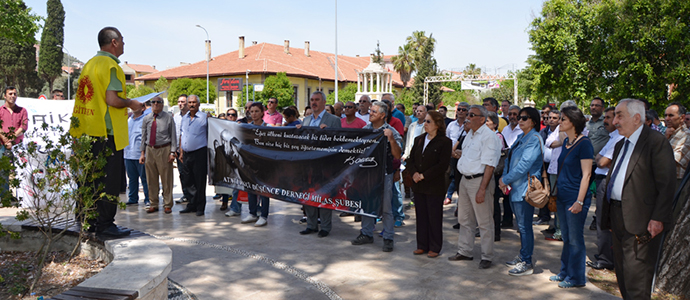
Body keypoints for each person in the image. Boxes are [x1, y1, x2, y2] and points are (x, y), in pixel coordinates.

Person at [68, 27, 141, 237]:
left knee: (88, 179)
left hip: (85, 131)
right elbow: (112, 100)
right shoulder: (112, 66)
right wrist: (132, 104)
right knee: (108, 181)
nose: (125, 44)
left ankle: (85, 219)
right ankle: (104, 224)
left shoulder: (89, 64)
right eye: (123, 40)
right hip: (105, 132)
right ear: (114, 42)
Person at [602, 99, 675, 300]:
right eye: (615, 115)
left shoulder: (655, 142)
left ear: (636, 118)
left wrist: (658, 218)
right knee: (624, 276)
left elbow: (667, 184)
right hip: (618, 218)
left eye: (619, 115)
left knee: (637, 279)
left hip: (642, 221)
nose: (615, 120)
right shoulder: (620, 144)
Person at [448, 105, 501, 269]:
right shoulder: (469, 134)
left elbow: (490, 165)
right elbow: (472, 156)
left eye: (472, 114)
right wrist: (459, 155)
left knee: (484, 222)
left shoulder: (489, 137)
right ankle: (465, 251)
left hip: (479, 181)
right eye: (467, 114)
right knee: (464, 219)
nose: (467, 117)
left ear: (482, 119)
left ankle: (487, 256)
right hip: (465, 180)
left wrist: (482, 189)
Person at [548, 106, 593, 288]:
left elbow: (587, 175)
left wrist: (579, 201)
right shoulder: (566, 142)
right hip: (563, 196)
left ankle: (577, 278)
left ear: (573, 122)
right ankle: (565, 271)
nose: (559, 122)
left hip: (576, 198)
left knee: (575, 239)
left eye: (563, 119)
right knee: (566, 238)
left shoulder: (584, 143)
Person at [351, 101, 402, 252]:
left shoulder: (391, 131)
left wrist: (391, 139)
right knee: (366, 204)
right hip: (367, 175)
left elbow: (398, 154)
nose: (370, 113)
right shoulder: (365, 130)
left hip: (384, 174)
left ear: (382, 115)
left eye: (373, 111)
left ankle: (388, 237)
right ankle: (366, 233)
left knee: (386, 207)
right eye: (370, 111)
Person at [498, 107, 543, 276]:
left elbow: (524, 165)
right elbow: (509, 161)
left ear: (533, 121)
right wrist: (504, 179)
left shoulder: (534, 138)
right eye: (519, 117)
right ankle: (523, 255)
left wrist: (505, 179)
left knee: (525, 227)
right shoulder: (520, 137)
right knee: (522, 226)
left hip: (525, 189)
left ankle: (527, 262)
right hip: (515, 188)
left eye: (524, 118)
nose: (520, 120)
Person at [406, 111, 451, 258]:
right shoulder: (419, 139)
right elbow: (411, 159)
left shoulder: (445, 142)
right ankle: (422, 245)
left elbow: (442, 165)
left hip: (434, 185)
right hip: (418, 184)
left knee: (434, 216)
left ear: (437, 124)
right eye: (425, 121)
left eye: (428, 122)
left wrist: (424, 175)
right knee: (421, 215)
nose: (425, 124)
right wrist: (414, 174)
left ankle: (434, 247)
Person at [298, 91, 341, 237]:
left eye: (317, 100)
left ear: (323, 102)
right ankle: (311, 225)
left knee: (324, 195)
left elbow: (340, 140)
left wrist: (328, 133)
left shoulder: (333, 120)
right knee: (309, 194)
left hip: (325, 165)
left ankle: (325, 227)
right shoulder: (306, 120)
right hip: (308, 164)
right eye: (312, 100)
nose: (313, 102)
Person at [587, 106, 621, 271]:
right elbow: (599, 156)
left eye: (608, 118)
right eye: (606, 117)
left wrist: (600, 157)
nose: (606, 121)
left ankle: (606, 258)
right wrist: (600, 156)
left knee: (604, 221)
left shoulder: (618, 138)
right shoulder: (612, 137)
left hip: (606, 180)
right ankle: (604, 254)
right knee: (602, 219)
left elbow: (601, 161)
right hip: (601, 179)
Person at [140, 96, 177, 214]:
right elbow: (143, 137)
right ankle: (153, 203)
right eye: (153, 102)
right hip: (150, 149)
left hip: (164, 149)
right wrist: (142, 153)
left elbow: (173, 136)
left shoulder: (168, 118)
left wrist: (172, 152)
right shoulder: (146, 118)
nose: (155, 104)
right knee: (151, 178)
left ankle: (167, 204)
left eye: (158, 102)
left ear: (162, 104)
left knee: (166, 178)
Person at [240, 102, 271, 226]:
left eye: (256, 111)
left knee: (264, 190)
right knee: (250, 188)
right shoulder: (247, 127)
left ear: (262, 112)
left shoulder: (268, 128)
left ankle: (263, 215)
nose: (254, 114)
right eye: (251, 111)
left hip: (263, 164)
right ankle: (252, 213)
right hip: (250, 163)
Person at [178, 95, 208, 216]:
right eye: (189, 102)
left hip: (199, 153)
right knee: (188, 181)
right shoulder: (184, 118)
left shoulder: (205, 118)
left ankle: (200, 207)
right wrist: (181, 152)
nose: (191, 104)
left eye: (194, 102)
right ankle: (191, 204)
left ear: (198, 104)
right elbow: (182, 134)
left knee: (199, 181)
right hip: (186, 154)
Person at [1, 86, 28, 197]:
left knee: (21, 172)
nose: (13, 96)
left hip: (18, 146)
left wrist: (12, 137)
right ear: (5, 96)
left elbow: (24, 126)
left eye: (15, 94)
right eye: (10, 94)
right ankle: (5, 196)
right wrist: (5, 139)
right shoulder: (0, 111)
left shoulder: (22, 111)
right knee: (3, 172)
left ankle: (20, 197)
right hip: (2, 146)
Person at [485, 112, 508, 241]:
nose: (486, 123)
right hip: (487, 173)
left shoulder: (498, 137)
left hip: (495, 173)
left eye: (488, 121)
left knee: (494, 204)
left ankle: (496, 232)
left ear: (495, 124)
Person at [124, 101, 149, 207]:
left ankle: (148, 198)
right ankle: (133, 198)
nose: (133, 107)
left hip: (140, 154)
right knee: (132, 178)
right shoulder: (129, 120)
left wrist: (144, 153)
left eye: (136, 105)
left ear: (143, 108)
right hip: (128, 154)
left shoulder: (145, 120)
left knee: (145, 178)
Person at [445, 102, 469, 205]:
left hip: (465, 158)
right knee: (449, 179)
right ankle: (448, 197)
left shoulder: (469, 126)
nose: (460, 111)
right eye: (459, 109)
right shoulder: (451, 125)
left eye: (463, 110)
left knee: (461, 184)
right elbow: (446, 140)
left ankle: (461, 205)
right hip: (451, 157)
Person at [173, 94, 189, 204]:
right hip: (178, 151)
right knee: (182, 173)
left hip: (190, 150)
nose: (180, 104)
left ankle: (193, 195)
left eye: (183, 102)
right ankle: (185, 194)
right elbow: (173, 134)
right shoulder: (175, 117)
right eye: (179, 102)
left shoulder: (192, 116)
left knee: (191, 174)